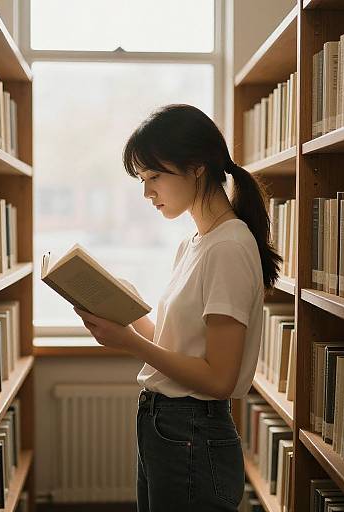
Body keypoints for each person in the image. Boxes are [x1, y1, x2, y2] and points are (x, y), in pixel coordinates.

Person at [73, 104, 281, 511]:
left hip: (191, 429)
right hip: (164, 425)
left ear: (197, 167)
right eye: (141, 179)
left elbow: (219, 378)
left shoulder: (229, 246)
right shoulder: (194, 243)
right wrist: (128, 313)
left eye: (154, 177)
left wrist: (129, 344)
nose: (147, 193)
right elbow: (179, 347)